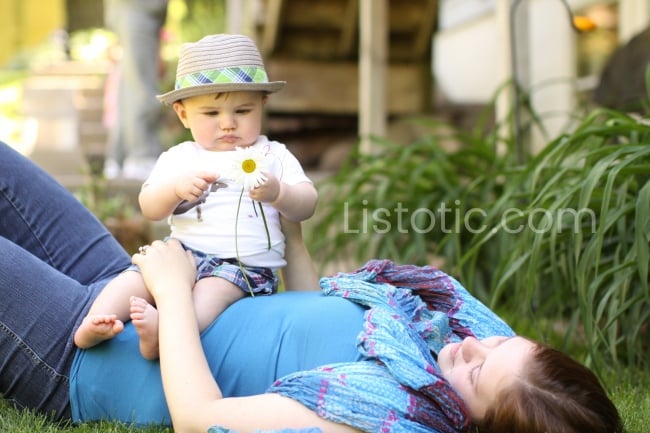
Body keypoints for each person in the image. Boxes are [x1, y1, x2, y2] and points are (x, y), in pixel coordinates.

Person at [0, 140, 622, 433]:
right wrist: (290, 239)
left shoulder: (377, 419)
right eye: (500, 345)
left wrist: (173, 289)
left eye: (481, 372)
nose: (470, 345)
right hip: (128, 289)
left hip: (81, 359)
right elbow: (308, 314)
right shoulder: (435, 344)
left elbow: (201, 419)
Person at [74, 33, 318, 359]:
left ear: (263, 105)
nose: (228, 124)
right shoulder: (180, 157)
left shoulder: (273, 154)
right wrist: (174, 190)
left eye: (242, 111)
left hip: (240, 268)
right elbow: (149, 207)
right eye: (212, 114)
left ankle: (165, 334)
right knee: (134, 278)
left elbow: (307, 203)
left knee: (209, 295)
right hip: (183, 255)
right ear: (183, 114)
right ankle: (96, 319)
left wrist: (280, 193)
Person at [103, 0, 168, 179]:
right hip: (140, 8)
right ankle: (142, 155)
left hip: (131, 9)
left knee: (131, 82)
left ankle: (119, 157)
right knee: (141, 84)